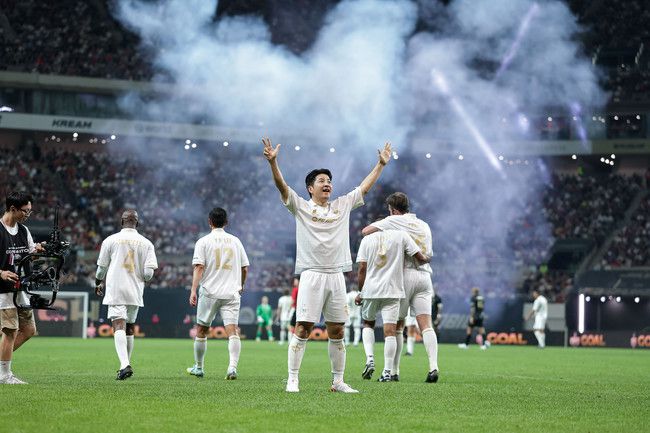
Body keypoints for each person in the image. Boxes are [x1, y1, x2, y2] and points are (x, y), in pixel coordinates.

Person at [263, 136, 392, 393]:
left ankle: (338, 381)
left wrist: (380, 165)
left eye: (329, 180)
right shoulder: (301, 206)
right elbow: (282, 186)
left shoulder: (341, 206)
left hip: (336, 275)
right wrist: (273, 163)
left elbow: (363, 189)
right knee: (303, 327)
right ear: (310, 188)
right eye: (321, 180)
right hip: (311, 274)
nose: (327, 184)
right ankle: (292, 379)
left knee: (337, 330)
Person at [362, 192, 440, 383]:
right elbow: (427, 254)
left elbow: (366, 231)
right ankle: (433, 367)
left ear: (393, 210)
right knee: (426, 325)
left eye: (389, 211)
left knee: (397, 325)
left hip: (404, 276)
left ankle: (393, 371)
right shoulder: (424, 225)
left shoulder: (393, 220)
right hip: (425, 276)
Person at [356, 230, 429, 382]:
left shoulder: (367, 240)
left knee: (368, 324)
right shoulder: (399, 236)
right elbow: (420, 257)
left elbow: (362, 268)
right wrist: (428, 258)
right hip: (393, 290)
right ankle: (387, 371)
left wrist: (360, 292)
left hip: (371, 290)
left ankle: (370, 359)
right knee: (390, 332)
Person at [187, 207, 249, 380]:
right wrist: (241, 285)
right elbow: (245, 268)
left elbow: (199, 267)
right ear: (226, 222)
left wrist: (193, 290)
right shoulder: (236, 241)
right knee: (232, 331)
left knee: (202, 330)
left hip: (210, 292)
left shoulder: (203, 241)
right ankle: (232, 368)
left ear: (209, 222)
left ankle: (199, 367)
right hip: (231, 293)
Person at [96, 209, 158, 380]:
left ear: (122, 222)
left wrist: (97, 281)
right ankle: (125, 364)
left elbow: (101, 268)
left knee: (118, 325)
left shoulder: (110, 240)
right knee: (129, 327)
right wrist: (140, 277)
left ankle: (124, 365)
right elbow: (148, 274)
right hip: (135, 290)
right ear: (137, 223)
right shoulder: (147, 243)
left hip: (116, 288)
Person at [0, 192, 43, 384]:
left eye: (30, 211)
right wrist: (1, 272)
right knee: (10, 330)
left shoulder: (24, 231)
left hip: (20, 288)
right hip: (2, 290)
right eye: (25, 211)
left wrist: (37, 251)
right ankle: (4, 375)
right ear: (12, 209)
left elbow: (29, 254)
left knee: (28, 329)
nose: (28, 214)